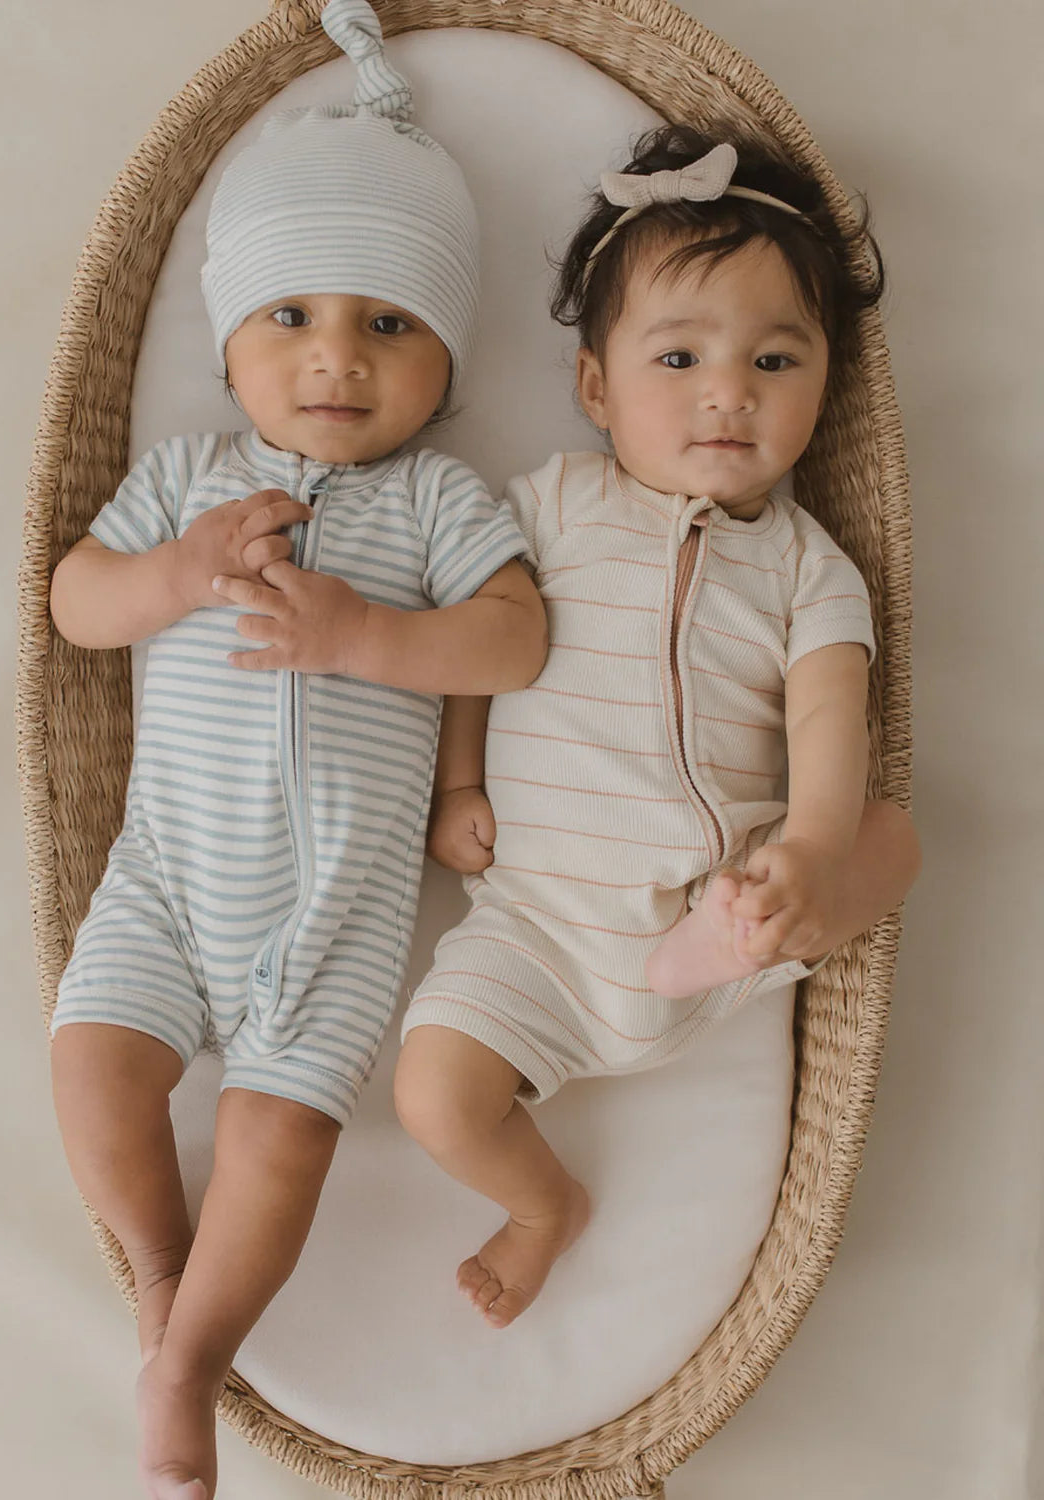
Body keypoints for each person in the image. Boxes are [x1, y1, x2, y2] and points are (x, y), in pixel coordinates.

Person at [47, 4, 544, 1496]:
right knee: (86, 1067)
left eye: (388, 324)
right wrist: (179, 577)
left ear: (449, 361)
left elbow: (513, 639)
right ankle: (156, 1275)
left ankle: (191, 1364)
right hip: (170, 873)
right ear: (230, 341)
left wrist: (367, 642)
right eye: (294, 317)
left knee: (280, 1141)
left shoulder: (441, 504)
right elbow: (78, 605)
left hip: (335, 912)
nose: (338, 359)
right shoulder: (190, 479)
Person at [395, 125, 921, 1332]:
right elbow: (484, 641)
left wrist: (809, 850)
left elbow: (832, 713)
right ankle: (543, 1208)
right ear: (595, 388)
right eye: (679, 356)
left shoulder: (810, 569)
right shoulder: (557, 503)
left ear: (826, 381)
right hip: (531, 929)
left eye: (776, 361)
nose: (729, 391)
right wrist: (456, 779)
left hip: (716, 898)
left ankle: (722, 943)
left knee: (892, 835)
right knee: (433, 1093)